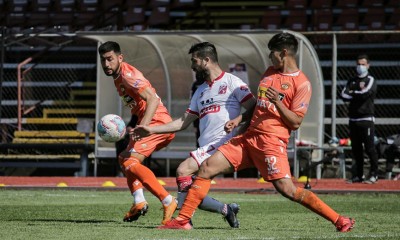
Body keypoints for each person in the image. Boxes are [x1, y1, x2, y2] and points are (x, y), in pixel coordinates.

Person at [158, 32, 355, 232]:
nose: (270, 57)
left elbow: (295, 122)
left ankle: (339, 219)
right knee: (207, 167)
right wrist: (239, 119)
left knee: (288, 190)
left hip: (271, 142)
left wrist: (278, 102)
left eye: (273, 53)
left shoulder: (302, 83)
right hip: (248, 137)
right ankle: (183, 221)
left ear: (284, 53)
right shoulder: (270, 72)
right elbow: (257, 107)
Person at [133, 42, 257, 228]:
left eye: (194, 61)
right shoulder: (200, 91)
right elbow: (183, 121)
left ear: (206, 60)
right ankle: (225, 209)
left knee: (183, 170)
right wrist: (151, 129)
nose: (192, 66)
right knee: (192, 189)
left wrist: (239, 119)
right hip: (206, 147)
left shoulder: (233, 82)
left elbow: (254, 108)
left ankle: (184, 221)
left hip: (224, 143)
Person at [98, 41, 177, 225]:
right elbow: (138, 107)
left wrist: (144, 126)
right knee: (124, 158)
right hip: (149, 121)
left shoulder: (127, 75)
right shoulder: (118, 77)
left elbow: (152, 100)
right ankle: (139, 202)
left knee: (132, 162)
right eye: (103, 60)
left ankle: (168, 200)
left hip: (157, 122)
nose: (107, 64)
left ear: (120, 58)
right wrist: (133, 124)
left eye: (110, 59)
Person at [341, 54, 379, 184]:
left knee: (369, 148)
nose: (360, 67)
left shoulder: (371, 80)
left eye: (363, 64)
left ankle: (374, 174)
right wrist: (355, 93)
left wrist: (353, 93)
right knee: (356, 149)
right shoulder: (351, 80)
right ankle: (358, 175)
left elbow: (366, 94)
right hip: (353, 120)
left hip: (366, 119)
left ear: (368, 65)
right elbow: (343, 95)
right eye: (358, 64)